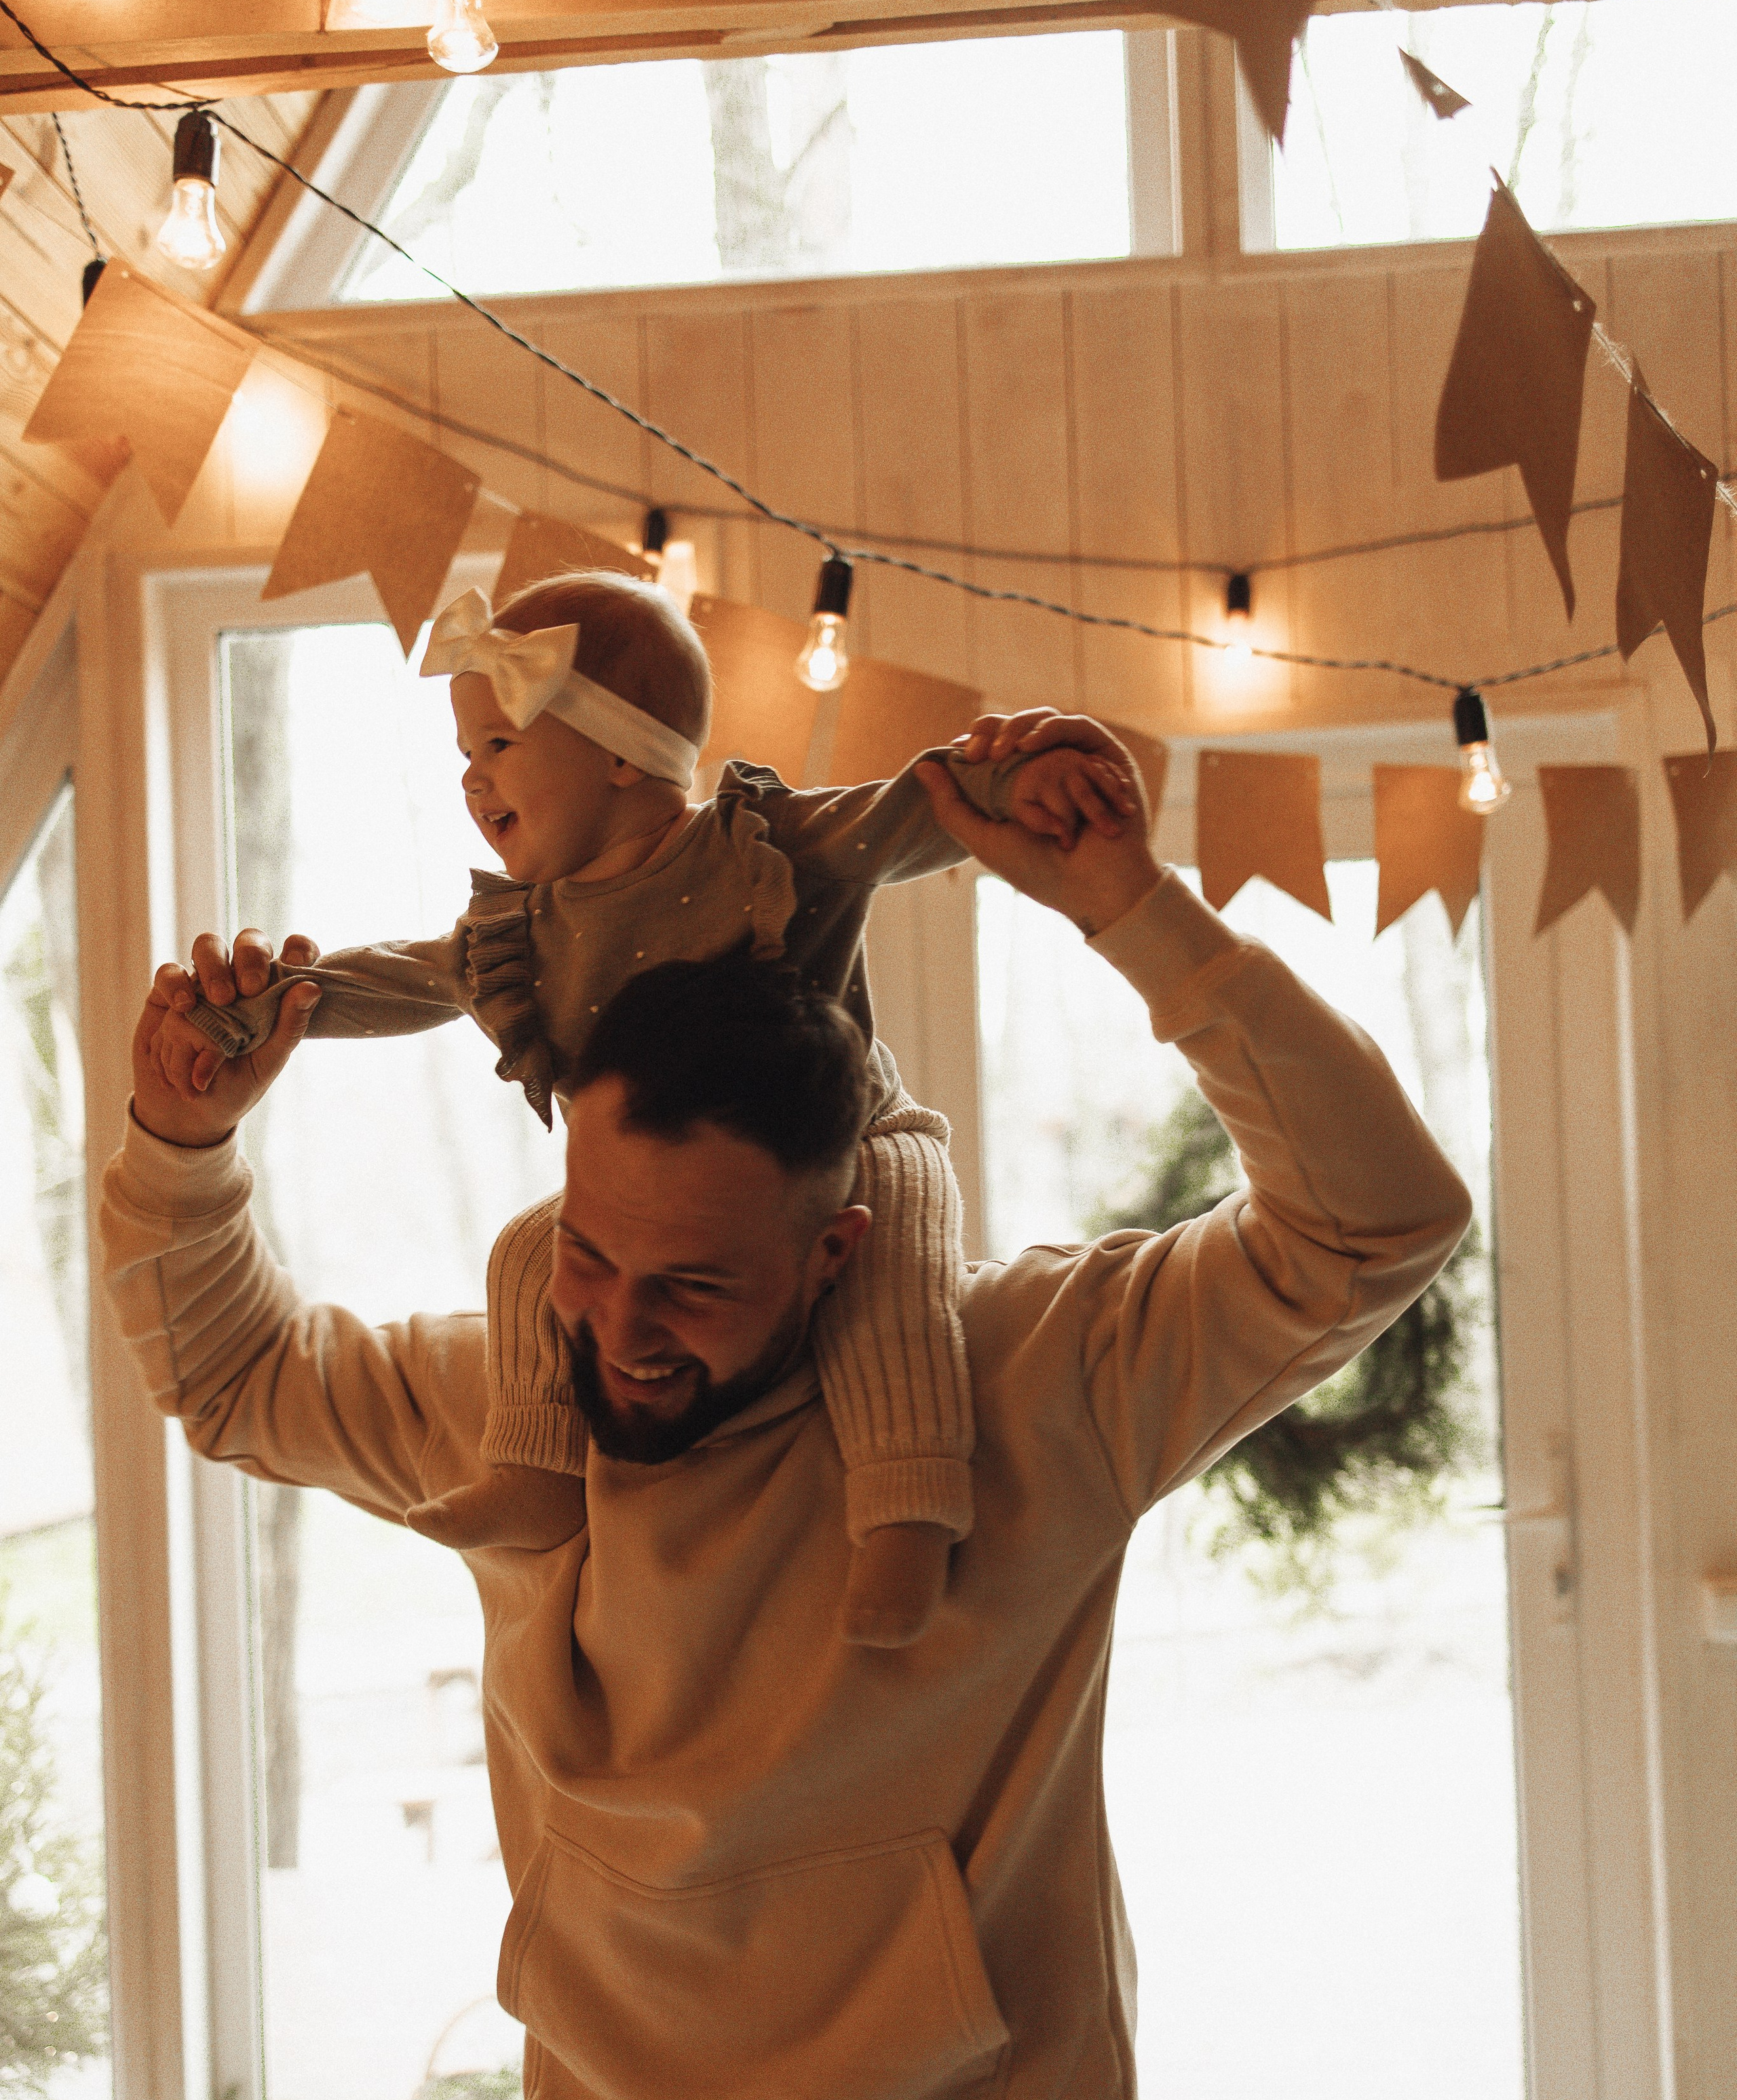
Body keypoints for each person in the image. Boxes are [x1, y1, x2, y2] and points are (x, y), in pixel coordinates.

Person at [102, 723, 1472, 2100]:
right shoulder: (525, 1400)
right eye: (590, 1251)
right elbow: (230, 1376)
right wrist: (177, 1135)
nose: (621, 1322)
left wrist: (1130, 910)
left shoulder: (1030, 1383)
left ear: (836, 1249)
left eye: (692, 1283)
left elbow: (1377, 1224)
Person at [148, 572, 1136, 1647]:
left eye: (499, 748)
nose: (473, 783)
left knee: (895, 1288)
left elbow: (905, 814)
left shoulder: (763, 850)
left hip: (851, 1144)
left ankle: (907, 1512)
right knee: (532, 1257)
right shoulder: (522, 933)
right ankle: (534, 1472)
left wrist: (1020, 779)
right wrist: (265, 1011)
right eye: (465, 757)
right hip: (636, 1212)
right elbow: (402, 980)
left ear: (621, 753)